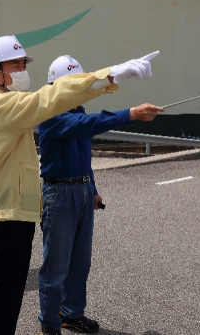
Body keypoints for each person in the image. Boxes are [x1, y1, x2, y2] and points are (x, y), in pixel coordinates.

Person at [0, 35, 158, 335]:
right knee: (2, 305)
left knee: (7, 304)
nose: (22, 69)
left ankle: (70, 313)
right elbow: (51, 98)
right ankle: (51, 322)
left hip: (15, 215)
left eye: (23, 63)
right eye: (15, 64)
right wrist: (112, 75)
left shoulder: (11, 106)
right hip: (4, 217)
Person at [37, 55, 164, 335]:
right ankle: (49, 322)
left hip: (81, 189)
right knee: (56, 264)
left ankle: (71, 313)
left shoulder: (78, 109)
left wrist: (91, 188)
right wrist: (130, 113)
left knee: (80, 260)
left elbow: (84, 155)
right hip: (58, 192)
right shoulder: (49, 114)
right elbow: (86, 126)